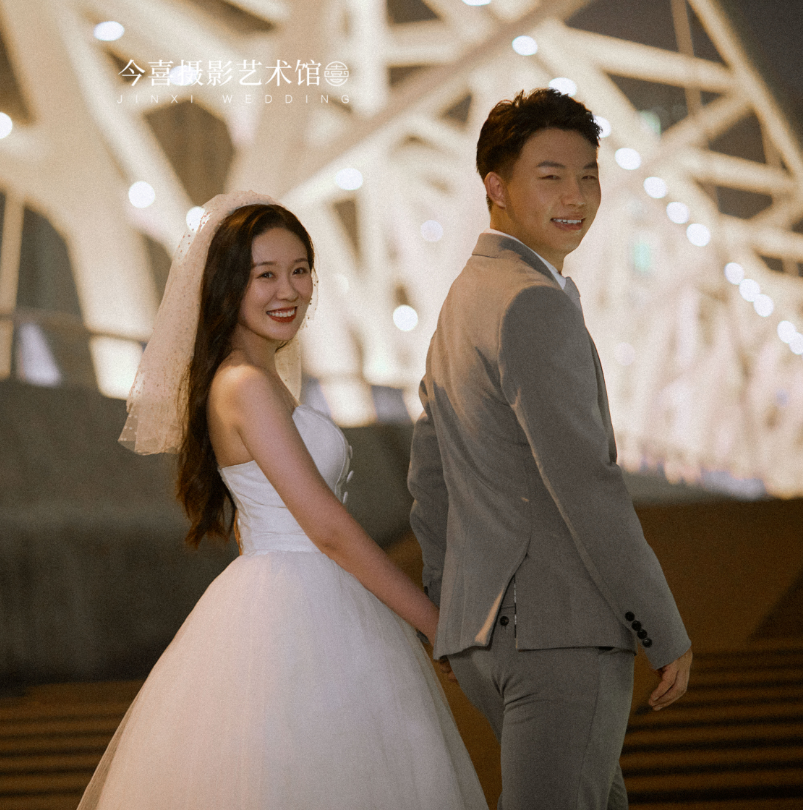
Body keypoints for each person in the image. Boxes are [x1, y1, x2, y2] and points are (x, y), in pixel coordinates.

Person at [78, 191, 487, 810]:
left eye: (299, 270)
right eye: (264, 275)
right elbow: (327, 528)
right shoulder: (245, 384)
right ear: (227, 287)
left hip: (299, 596)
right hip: (298, 608)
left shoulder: (257, 376)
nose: (288, 290)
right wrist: (433, 623)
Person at [408, 88, 693, 810]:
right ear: (497, 188)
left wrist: (451, 610)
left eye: (588, 175)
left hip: (487, 638)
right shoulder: (532, 301)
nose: (576, 196)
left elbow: (430, 475)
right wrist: (662, 628)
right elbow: (586, 483)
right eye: (551, 176)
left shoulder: (464, 297)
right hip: (557, 636)